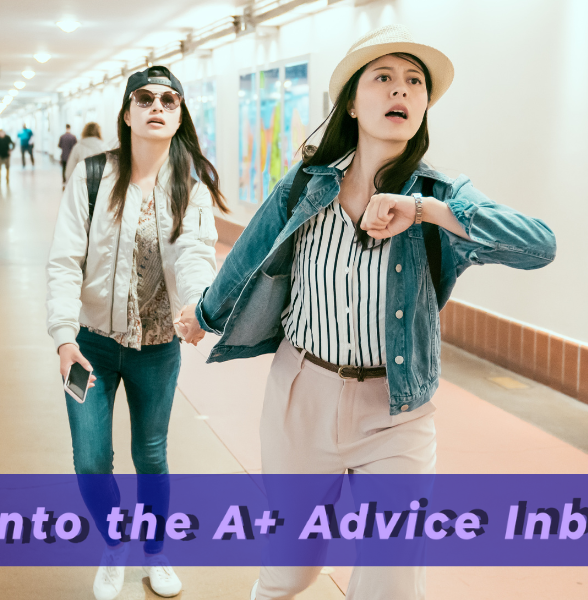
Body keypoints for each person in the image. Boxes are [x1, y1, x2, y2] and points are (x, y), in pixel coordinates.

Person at [178, 25, 557, 600]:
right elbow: (251, 253)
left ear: (425, 106)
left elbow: (539, 245)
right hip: (301, 396)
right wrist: (203, 314)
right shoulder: (305, 186)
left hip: (397, 408)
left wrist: (426, 210)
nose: (400, 90)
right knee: (292, 569)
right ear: (353, 102)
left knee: (392, 582)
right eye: (384, 78)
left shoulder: (442, 196)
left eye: (413, 82)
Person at [46, 65, 227, 600]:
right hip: (91, 346)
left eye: (169, 101)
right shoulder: (94, 174)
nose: (157, 107)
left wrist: (197, 306)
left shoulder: (189, 189)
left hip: (157, 349)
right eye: (144, 99)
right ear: (127, 113)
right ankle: (113, 542)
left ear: (178, 116)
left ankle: (154, 550)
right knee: (90, 459)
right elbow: (63, 260)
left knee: (151, 455)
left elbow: (195, 255)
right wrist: (62, 336)